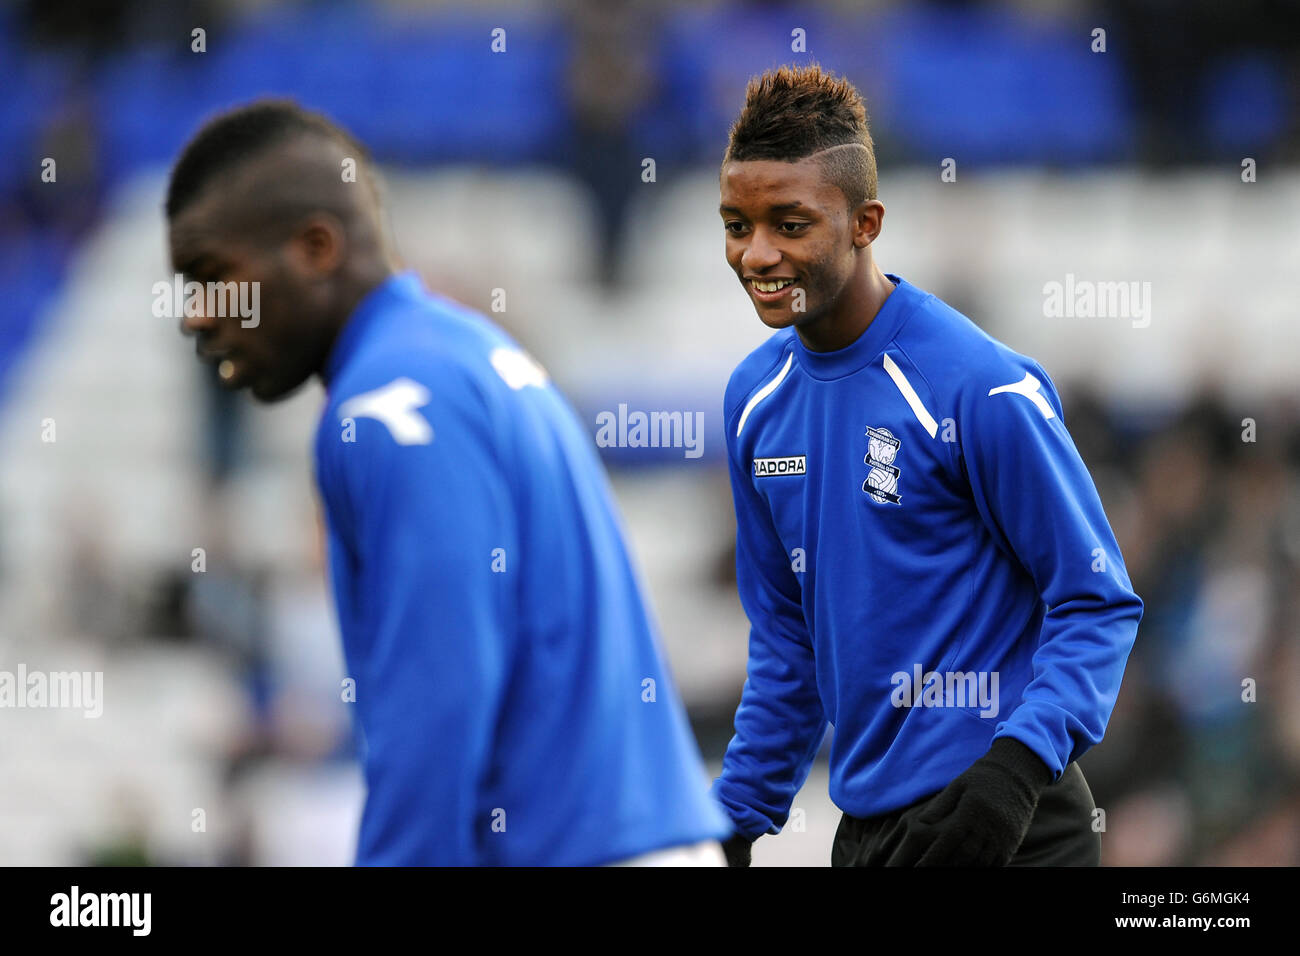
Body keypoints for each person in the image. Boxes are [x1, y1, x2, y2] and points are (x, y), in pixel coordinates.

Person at [165, 99, 728, 866]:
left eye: (214, 279)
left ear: (315, 249)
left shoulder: (388, 405)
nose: (199, 317)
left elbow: (441, 700)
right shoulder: (462, 355)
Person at [711, 66, 1144, 867]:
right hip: (872, 835)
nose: (756, 252)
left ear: (865, 222)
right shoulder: (752, 402)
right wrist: (735, 819)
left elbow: (1096, 601)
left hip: (1013, 823)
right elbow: (788, 641)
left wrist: (1013, 773)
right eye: (737, 223)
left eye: (790, 223)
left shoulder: (976, 384)